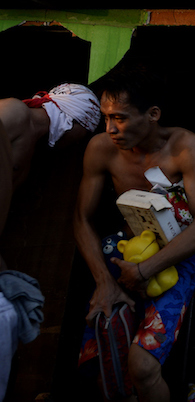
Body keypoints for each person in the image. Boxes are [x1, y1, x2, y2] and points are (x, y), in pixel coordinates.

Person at [73, 66, 195, 402]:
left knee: (141, 367)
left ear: (153, 114)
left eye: (120, 118)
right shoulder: (101, 149)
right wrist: (104, 282)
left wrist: (144, 271)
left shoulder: (184, 147)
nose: (110, 128)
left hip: (173, 259)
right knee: (106, 363)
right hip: (120, 259)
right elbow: (82, 219)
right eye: (106, 117)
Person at [0, 83, 101, 401]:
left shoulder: (30, 142)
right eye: (84, 135)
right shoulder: (13, 110)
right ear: (75, 122)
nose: (77, 145)